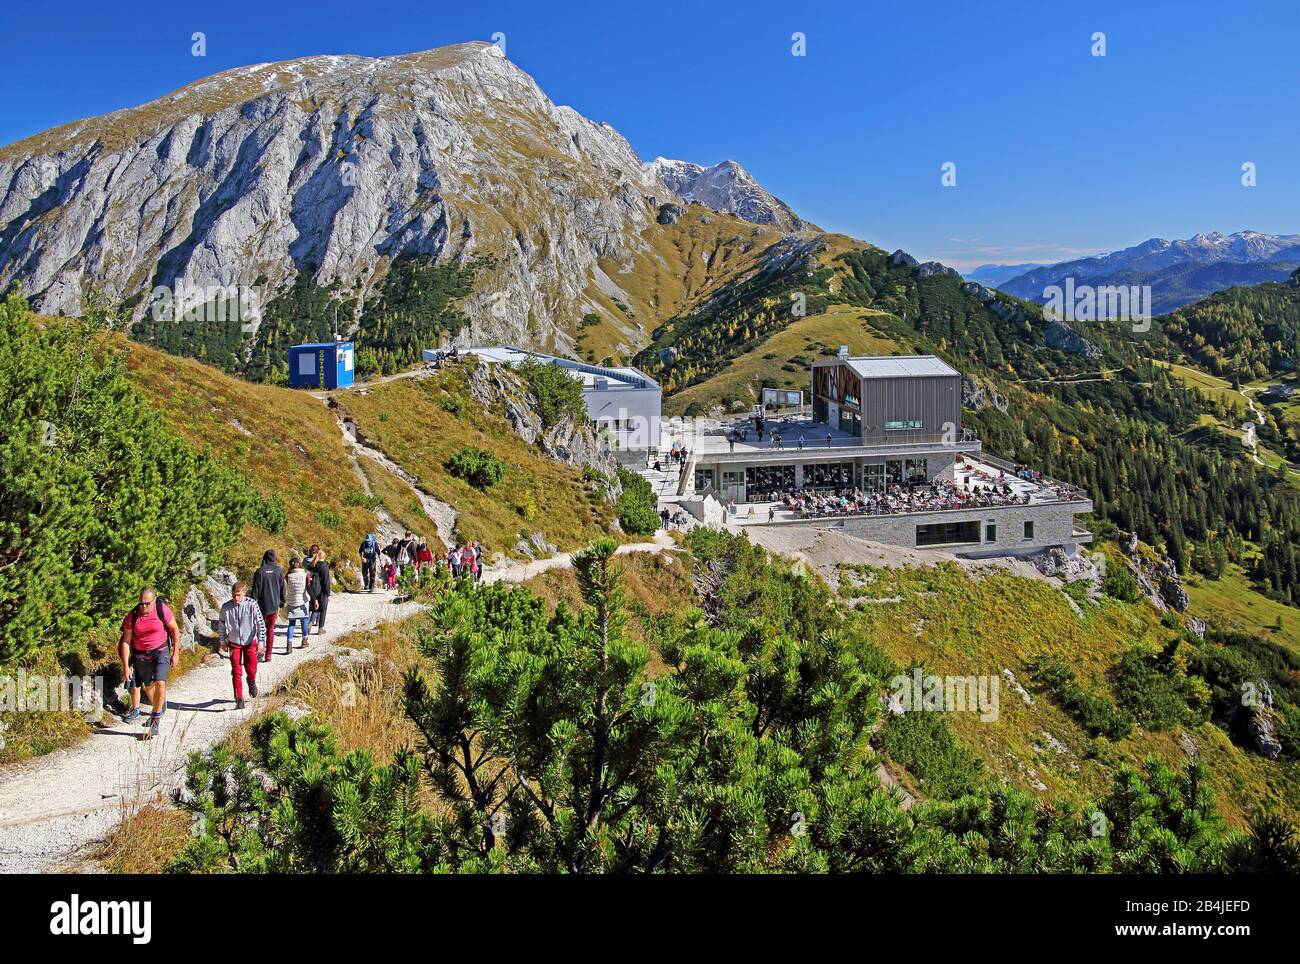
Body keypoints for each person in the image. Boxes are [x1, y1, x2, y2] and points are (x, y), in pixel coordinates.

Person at [119, 588, 180, 740]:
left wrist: (176, 652)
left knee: (160, 682)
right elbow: (125, 641)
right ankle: (159, 706)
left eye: (147, 603)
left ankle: (155, 719)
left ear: (154, 600)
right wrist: (126, 665)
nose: (144, 606)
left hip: (161, 651)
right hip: (141, 655)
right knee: (149, 686)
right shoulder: (132, 616)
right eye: (141, 603)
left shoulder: (162, 609)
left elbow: (174, 629)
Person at [218, 581, 267, 710]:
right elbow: (222, 624)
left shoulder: (252, 605)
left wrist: (261, 641)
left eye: (239, 595)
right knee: (236, 671)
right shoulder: (226, 607)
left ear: (244, 593)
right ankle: (239, 699)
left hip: (250, 642)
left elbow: (260, 624)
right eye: (234, 595)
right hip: (234, 643)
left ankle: (251, 681)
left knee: (251, 667)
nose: (236, 598)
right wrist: (222, 641)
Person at [249, 549, 285, 662]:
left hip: (261, 605)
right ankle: (268, 655)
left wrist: (252, 603)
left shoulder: (259, 571)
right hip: (274, 605)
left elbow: (255, 590)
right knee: (270, 629)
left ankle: (260, 651)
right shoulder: (279, 570)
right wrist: (281, 602)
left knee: (260, 629)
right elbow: (282, 588)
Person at [285, 557, 311, 649]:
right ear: (299, 564)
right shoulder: (305, 574)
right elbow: (308, 587)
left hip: (292, 600)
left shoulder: (288, 575)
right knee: (304, 621)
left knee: (291, 624)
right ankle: (304, 640)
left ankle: (289, 644)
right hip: (302, 600)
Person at [307, 545, 331, 635]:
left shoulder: (312, 564)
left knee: (314, 608)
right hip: (321, 590)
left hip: (312, 589)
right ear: (323, 557)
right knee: (323, 608)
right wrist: (328, 593)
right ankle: (320, 628)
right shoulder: (324, 566)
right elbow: (326, 581)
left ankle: (310, 624)